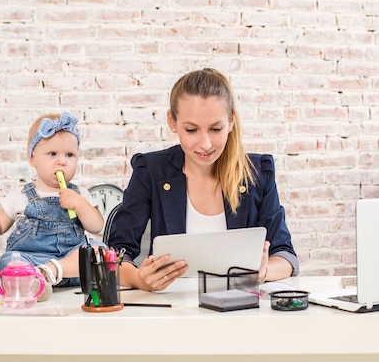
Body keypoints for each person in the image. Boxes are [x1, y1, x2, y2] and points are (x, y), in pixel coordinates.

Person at [107, 68, 298, 291]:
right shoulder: (150, 171)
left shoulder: (257, 173)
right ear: (172, 121)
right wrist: (138, 278)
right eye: (191, 130)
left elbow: (286, 256)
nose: (205, 144)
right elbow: (114, 255)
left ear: (231, 121)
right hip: (172, 310)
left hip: (240, 308)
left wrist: (263, 271)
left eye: (216, 129)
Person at [0, 112, 104, 298]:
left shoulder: (80, 194)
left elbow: (96, 225)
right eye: (52, 154)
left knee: (100, 250)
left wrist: (79, 204)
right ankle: (36, 282)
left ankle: (52, 271)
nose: (62, 161)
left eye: (69, 155)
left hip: (70, 264)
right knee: (8, 261)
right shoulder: (22, 195)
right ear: (33, 159)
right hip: (32, 260)